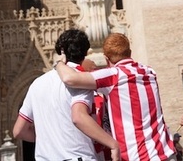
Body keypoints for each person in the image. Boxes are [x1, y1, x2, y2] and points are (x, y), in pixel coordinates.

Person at [55, 32, 175, 161]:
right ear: (129, 52)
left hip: (138, 157)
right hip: (165, 152)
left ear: (107, 59)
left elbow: (69, 78)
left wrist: (59, 64)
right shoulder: (150, 72)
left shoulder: (113, 76)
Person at [13, 29, 120, 161]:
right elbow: (79, 117)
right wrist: (113, 144)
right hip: (78, 156)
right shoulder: (81, 80)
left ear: (61, 51)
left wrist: (48, 138)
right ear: (86, 53)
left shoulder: (36, 84)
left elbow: (19, 131)